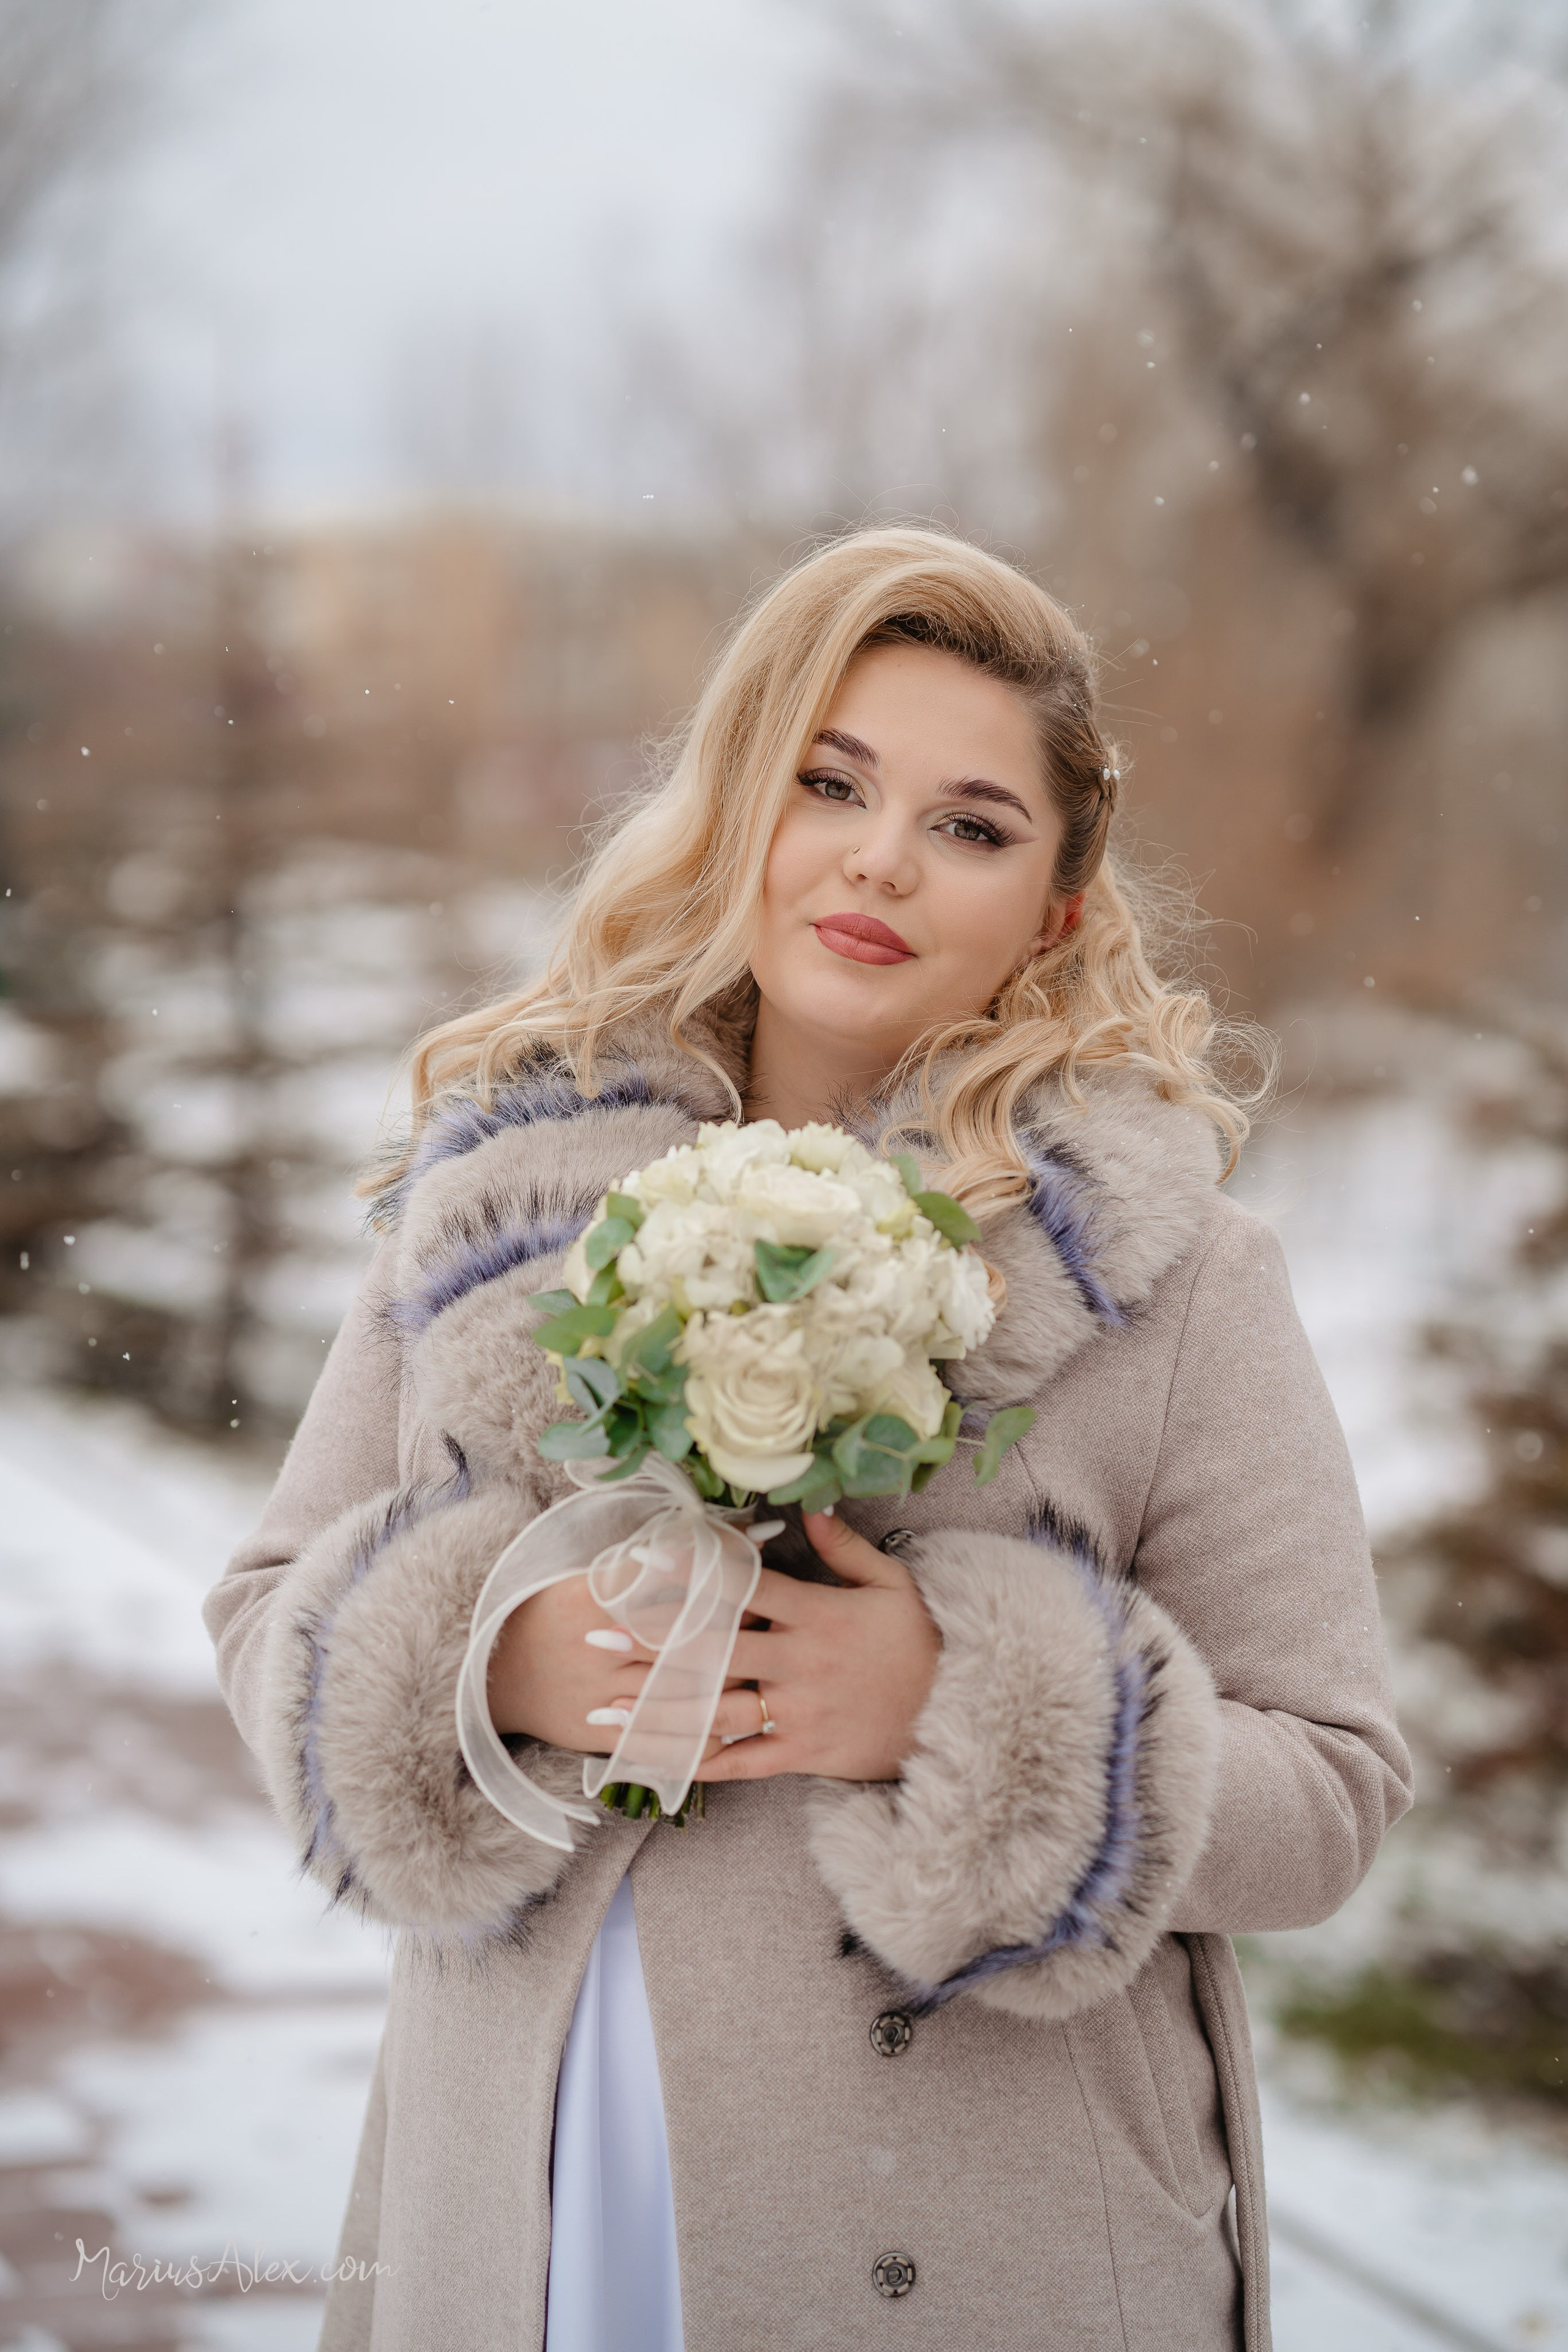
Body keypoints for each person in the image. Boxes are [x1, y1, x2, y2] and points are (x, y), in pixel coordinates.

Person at [205, 527, 1411, 2352]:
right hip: (520, 2187)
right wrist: (489, 1656)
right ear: (741, 806)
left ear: (1057, 911)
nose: (882, 857)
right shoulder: (502, 1192)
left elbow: (1330, 1791)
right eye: (831, 782)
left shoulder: (1181, 1279)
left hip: (963, 2239)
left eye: (973, 824)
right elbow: (267, 1606)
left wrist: (965, 1709)